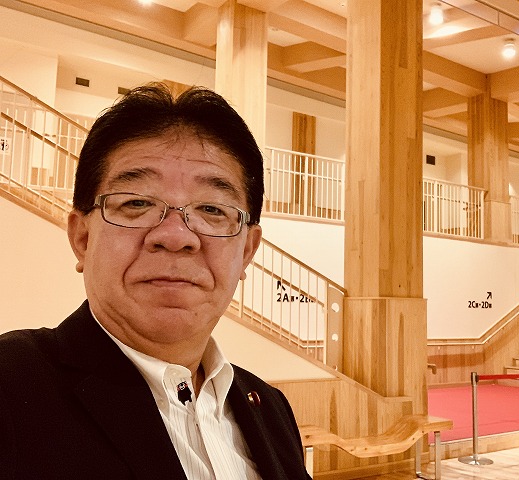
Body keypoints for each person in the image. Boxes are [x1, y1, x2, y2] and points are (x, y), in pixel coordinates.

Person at [0, 84, 311, 480]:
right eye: (137, 203)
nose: (176, 236)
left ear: (247, 251)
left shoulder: (269, 408)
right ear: (82, 238)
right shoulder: (12, 387)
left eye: (212, 209)